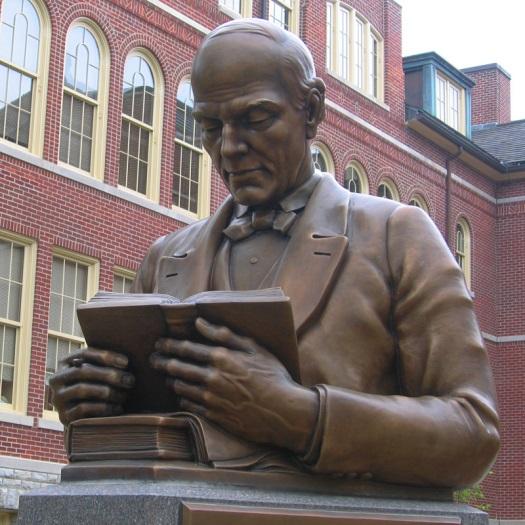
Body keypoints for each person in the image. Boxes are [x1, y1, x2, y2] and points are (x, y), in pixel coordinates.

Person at [50, 19, 499, 488]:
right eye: (209, 125)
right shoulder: (165, 259)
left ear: (312, 110)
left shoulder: (396, 236)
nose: (229, 147)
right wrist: (92, 403)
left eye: (255, 119)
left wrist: (298, 414)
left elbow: (473, 433)